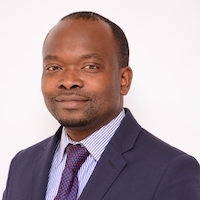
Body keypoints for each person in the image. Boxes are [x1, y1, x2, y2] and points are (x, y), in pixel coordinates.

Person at [2, 11, 200, 200]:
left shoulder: (171, 170)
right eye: (54, 67)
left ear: (123, 80)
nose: (69, 81)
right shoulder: (22, 164)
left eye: (90, 66)